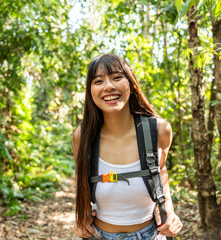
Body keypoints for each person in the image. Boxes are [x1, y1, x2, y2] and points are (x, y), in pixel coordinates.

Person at [72, 54, 183, 240]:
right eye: (98, 81)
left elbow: (160, 171)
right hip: (98, 236)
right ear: (90, 90)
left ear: (131, 84)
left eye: (116, 77)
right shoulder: (83, 136)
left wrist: (168, 211)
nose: (108, 86)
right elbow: (80, 178)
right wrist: (80, 216)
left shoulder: (159, 130)